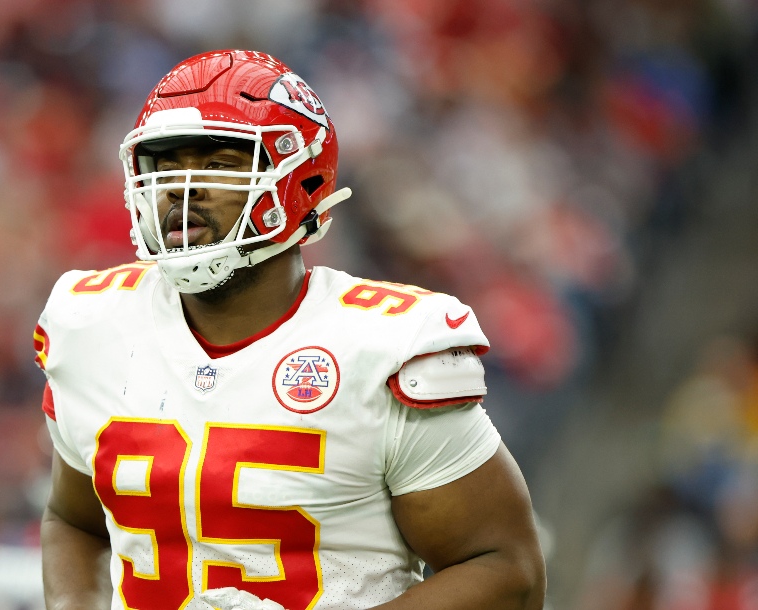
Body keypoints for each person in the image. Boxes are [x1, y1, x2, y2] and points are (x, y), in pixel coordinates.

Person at [35, 49, 546, 610]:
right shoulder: (91, 324)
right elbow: (75, 521)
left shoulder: (386, 347)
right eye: (165, 165)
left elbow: (505, 570)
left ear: (299, 180)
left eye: (220, 163)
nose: (182, 189)